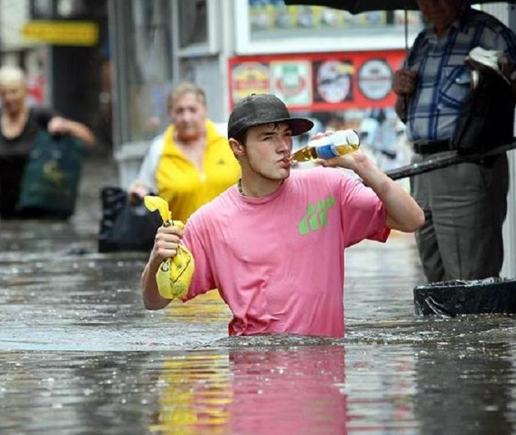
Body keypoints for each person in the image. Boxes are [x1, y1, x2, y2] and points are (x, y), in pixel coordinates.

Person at [141, 93, 424, 337]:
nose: (283, 147)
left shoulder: (329, 187)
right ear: (237, 148)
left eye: (286, 135)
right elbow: (155, 301)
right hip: (254, 377)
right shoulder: (210, 221)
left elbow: (411, 220)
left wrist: (363, 165)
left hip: (323, 381)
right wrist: (156, 260)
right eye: (267, 137)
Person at [392, 0, 516, 283]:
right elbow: (406, 115)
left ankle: (484, 336)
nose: (430, 3)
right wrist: (400, 92)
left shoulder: (488, 32)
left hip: (466, 166)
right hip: (421, 168)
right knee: (436, 280)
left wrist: (503, 67)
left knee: (471, 279)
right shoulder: (421, 43)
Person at [0, 66, 95, 219]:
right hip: (6, 211)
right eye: (3, 93)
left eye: (14, 91)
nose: (8, 98)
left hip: (44, 209)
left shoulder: (41, 116)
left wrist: (66, 126)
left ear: (24, 91)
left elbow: (88, 140)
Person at [128, 81, 240, 222]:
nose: (186, 118)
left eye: (192, 110)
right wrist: (137, 194)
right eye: (179, 111)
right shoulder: (159, 148)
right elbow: (145, 190)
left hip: (232, 236)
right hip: (182, 240)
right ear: (169, 114)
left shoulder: (227, 137)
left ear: (205, 110)